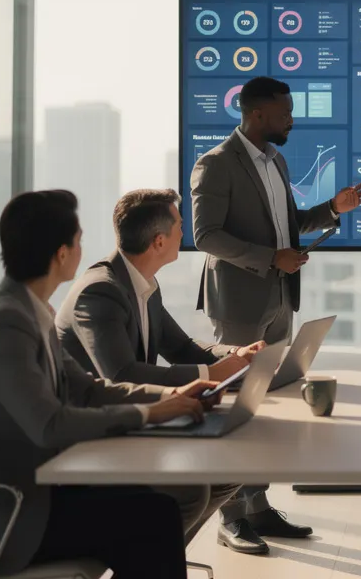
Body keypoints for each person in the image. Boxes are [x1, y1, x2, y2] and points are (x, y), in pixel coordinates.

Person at [0, 190, 218, 578]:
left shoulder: (27, 310)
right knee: (152, 518)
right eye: (79, 240)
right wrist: (148, 412)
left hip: (30, 487)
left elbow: (88, 389)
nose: (84, 249)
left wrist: (170, 396)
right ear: (62, 254)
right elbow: (50, 425)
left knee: (153, 508)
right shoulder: (4, 323)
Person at [189, 75, 361, 553]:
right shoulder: (215, 165)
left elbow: (288, 225)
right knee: (237, 407)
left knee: (265, 408)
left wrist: (334, 207)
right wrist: (271, 257)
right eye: (285, 113)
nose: (292, 119)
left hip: (279, 298)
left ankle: (259, 508)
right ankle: (229, 517)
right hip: (240, 305)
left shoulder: (276, 161)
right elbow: (205, 236)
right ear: (256, 114)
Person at [55, 188, 266, 544]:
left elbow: (181, 346)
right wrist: (212, 375)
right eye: (180, 225)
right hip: (92, 436)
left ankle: (155, 552)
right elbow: (121, 375)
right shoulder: (100, 291)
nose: (185, 232)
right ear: (158, 241)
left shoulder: (142, 282)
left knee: (230, 472)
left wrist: (236, 354)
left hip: (133, 421)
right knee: (195, 488)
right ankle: (150, 554)